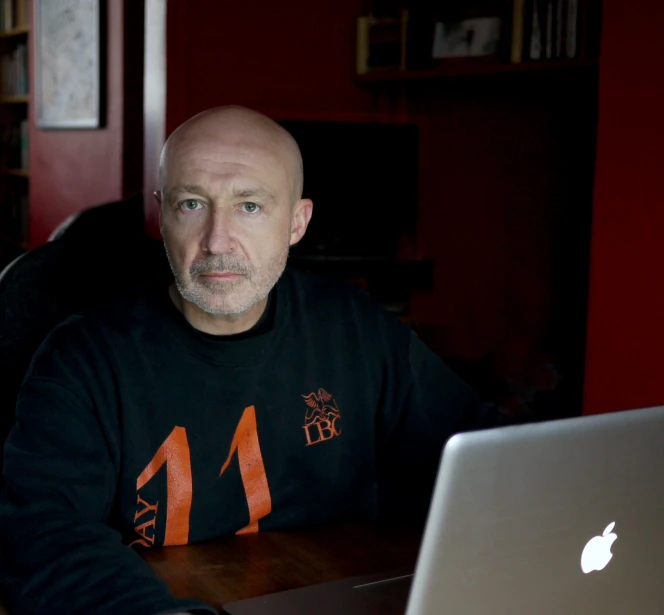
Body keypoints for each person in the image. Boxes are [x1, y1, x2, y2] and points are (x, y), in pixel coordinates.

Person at [0, 106, 502, 615]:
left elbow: (484, 454)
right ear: (162, 214)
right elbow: (43, 534)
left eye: (251, 207)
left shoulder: (353, 326)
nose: (217, 241)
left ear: (297, 222)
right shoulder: (82, 358)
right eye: (192, 203)